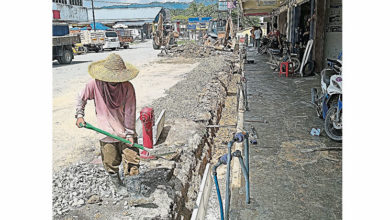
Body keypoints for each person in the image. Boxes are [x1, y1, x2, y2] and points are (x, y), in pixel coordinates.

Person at [75, 53, 140, 196]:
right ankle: (118, 186)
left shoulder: (127, 87)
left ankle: (135, 191)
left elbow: (130, 111)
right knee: (110, 161)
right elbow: (81, 97)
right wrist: (80, 115)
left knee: (132, 158)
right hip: (106, 131)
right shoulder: (95, 85)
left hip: (125, 130)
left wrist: (129, 133)